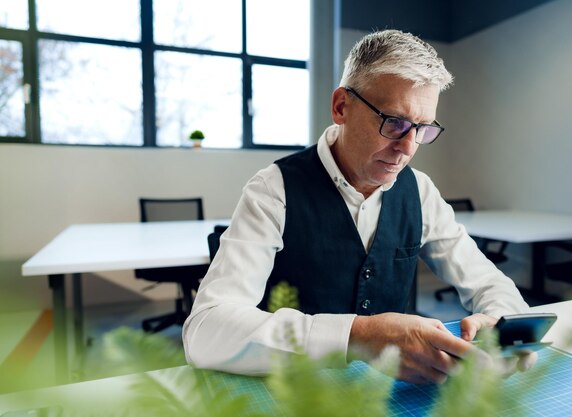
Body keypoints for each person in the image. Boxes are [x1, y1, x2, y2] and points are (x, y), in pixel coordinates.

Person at [183, 29, 535, 384]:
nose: (408, 148)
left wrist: (500, 319)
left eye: (423, 128)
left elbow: (488, 281)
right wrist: (359, 336)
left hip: (385, 391)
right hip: (294, 391)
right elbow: (204, 331)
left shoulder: (420, 191)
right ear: (341, 107)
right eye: (394, 122)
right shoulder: (273, 190)